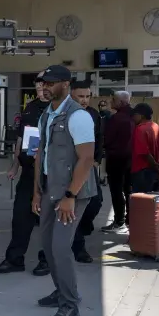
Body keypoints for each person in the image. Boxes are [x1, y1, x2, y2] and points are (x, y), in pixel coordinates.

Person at [32, 65, 96, 316]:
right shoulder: (46, 115)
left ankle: (70, 304)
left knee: (60, 247)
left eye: (50, 82)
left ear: (65, 84)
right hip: (50, 190)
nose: (45, 87)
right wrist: (36, 191)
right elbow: (40, 154)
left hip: (71, 193)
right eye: (43, 83)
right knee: (47, 246)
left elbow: (86, 158)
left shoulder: (78, 116)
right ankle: (61, 291)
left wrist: (70, 195)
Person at [0, 75, 51, 275]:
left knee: (48, 219)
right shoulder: (30, 108)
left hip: (51, 172)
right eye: (38, 86)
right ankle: (15, 259)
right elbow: (21, 139)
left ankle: (48, 259)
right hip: (28, 171)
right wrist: (14, 166)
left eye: (44, 85)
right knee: (20, 217)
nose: (41, 89)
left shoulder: (58, 109)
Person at [68, 80, 100, 263]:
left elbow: (99, 138)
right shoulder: (66, 114)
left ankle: (80, 233)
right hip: (69, 167)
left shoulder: (93, 115)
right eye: (81, 96)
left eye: (88, 96)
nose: (85, 100)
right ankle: (77, 246)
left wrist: (97, 160)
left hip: (88, 165)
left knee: (95, 203)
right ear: (71, 94)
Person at [102, 91, 134, 235]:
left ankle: (119, 221)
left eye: (113, 99)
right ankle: (130, 221)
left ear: (121, 102)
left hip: (116, 160)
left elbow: (107, 139)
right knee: (129, 191)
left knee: (116, 191)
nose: (110, 101)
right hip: (132, 160)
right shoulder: (135, 116)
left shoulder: (116, 119)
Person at [131, 103, 159, 193]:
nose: (132, 118)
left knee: (141, 202)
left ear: (141, 115)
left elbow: (144, 153)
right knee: (153, 202)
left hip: (142, 172)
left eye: (134, 115)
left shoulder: (139, 129)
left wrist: (155, 166)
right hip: (155, 172)